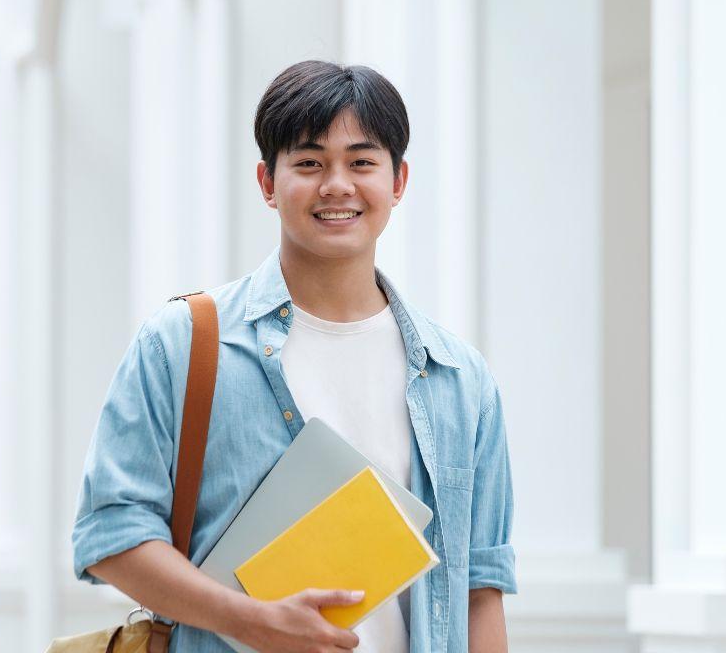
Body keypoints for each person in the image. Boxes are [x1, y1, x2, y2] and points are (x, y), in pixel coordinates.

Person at [72, 60, 516, 652]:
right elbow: (110, 533)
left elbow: (479, 589)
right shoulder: (183, 343)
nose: (337, 185)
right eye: (309, 163)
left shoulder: (459, 378)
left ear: (398, 181)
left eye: (362, 162)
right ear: (267, 182)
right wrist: (248, 619)